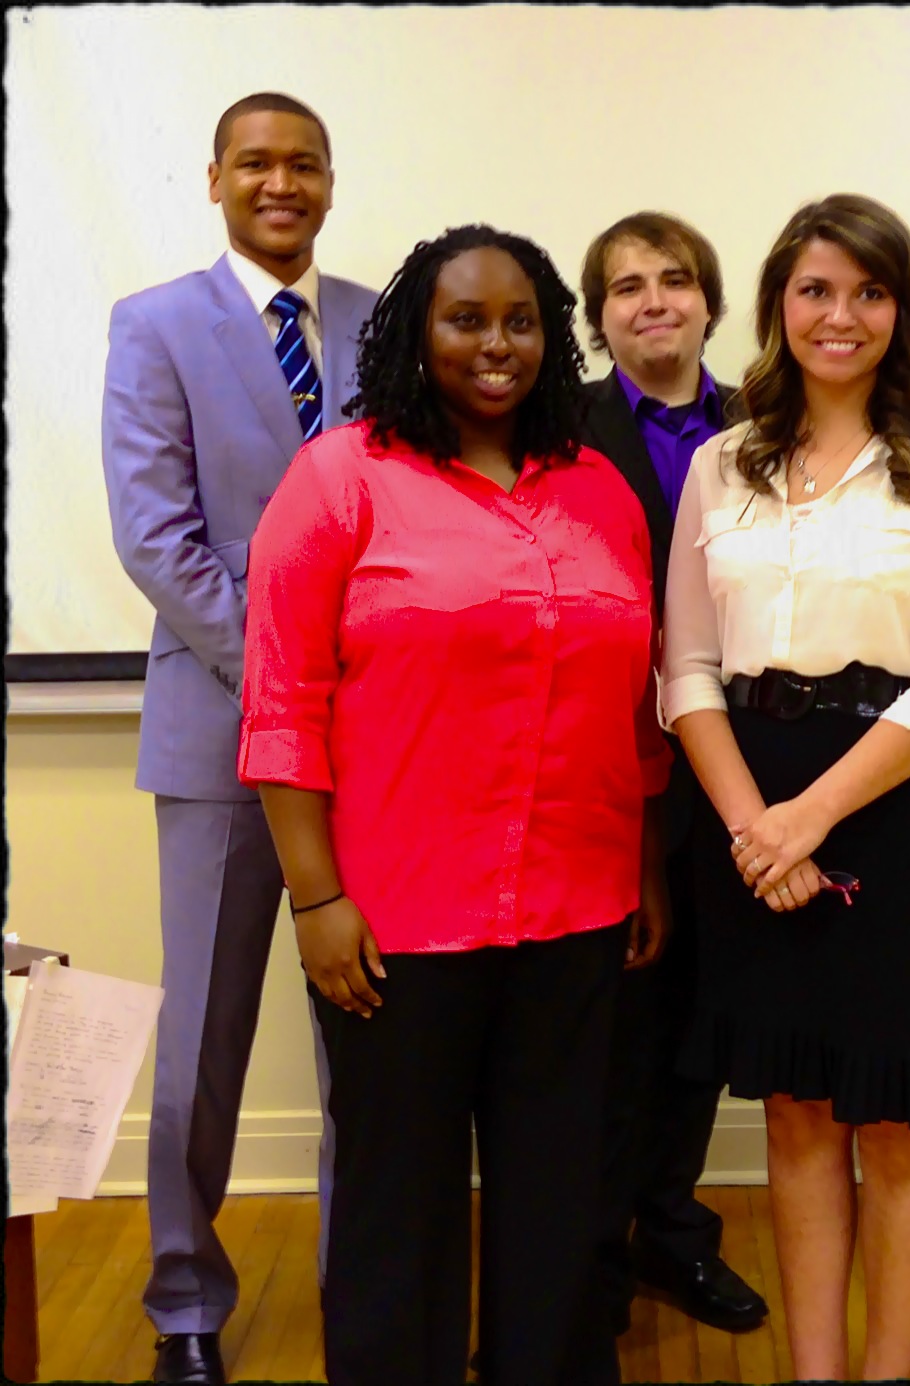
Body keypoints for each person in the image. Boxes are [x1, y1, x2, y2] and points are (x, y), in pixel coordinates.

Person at [238, 224, 671, 1386]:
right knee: (398, 1203)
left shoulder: (600, 493)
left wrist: (643, 872)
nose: (496, 345)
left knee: (559, 1196)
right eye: (465, 319)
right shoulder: (341, 477)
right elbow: (282, 703)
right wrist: (314, 895)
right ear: (412, 334)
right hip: (391, 925)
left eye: (520, 321)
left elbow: (635, 706)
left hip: (575, 912)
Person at [662, 192, 910, 1380]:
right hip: (745, 807)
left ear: (903, 311)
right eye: (814, 290)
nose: (840, 315)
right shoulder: (720, 464)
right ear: (774, 309)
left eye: (868, 292)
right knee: (797, 1116)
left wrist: (811, 818)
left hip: (895, 807)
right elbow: (688, 669)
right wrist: (755, 827)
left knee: (900, 1126)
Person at [99, 91, 376, 1386]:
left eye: (303, 164)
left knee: (367, 1033)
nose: (281, 182)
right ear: (214, 177)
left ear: (329, 182)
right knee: (203, 1037)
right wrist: (283, 681)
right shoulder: (153, 325)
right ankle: (185, 1302)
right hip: (220, 739)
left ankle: (361, 1282)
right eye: (256, 163)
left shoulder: (384, 323)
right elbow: (157, 537)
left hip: (376, 750)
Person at [577, 211, 768, 1335]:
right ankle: (589, 1258)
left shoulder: (768, 426)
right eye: (626, 287)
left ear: (709, 302)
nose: (654, 301)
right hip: (603, 775)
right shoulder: (565, 432)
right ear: (600, 319)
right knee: (612, 1037)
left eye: (675, 280)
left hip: (736, 766)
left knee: (698, 1024)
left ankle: (672, 1234)